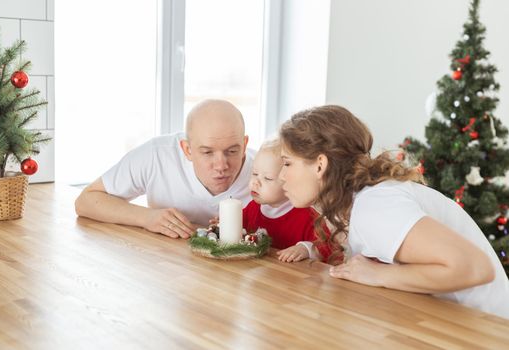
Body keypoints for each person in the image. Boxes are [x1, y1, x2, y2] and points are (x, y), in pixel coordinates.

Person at [277, 104, 509, 319]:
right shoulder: (355, 204)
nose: (281, 176)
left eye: (287, 163)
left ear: (320, 165)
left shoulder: (375, 207)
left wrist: (376, 275)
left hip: (487, 329)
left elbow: (477, 268)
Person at [75, 99, 255, 239]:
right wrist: (147, 218)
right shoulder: (157, 156)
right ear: (187, 149)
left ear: (244, 145)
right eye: (207, 152)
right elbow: (86, 201)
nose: (222, 166)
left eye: (232, 151)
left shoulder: (267, 171)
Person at [243, 139, 342, 264]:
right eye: (254, 173)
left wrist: (305, 249)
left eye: (267, 178)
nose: (255, 182)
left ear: (288, 180)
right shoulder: (253, 207)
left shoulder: (308, 215)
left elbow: (331, 249)